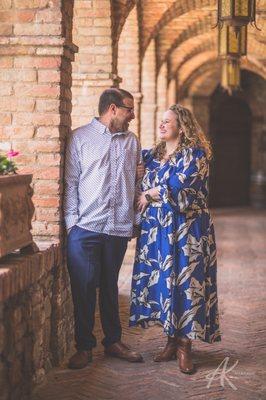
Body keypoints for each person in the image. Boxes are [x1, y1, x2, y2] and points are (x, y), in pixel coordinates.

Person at [129, 104, 221, 374]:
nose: (161, 125)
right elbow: (133, 173)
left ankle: (185, 347)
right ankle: (170, 340)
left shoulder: (195, 154)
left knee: (187, 284)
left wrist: (151, 193)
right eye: (161, 121)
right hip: (157, 231)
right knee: (164, 283)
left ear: (182, 126)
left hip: (187, 230)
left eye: (167, 122)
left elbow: (184, 187)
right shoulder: (153, 156)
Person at [64, 88, 144, 369]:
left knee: (110, 286)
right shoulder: (80, 138)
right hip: (86, 228)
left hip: (118, 228)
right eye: (129, 109)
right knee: (84, 288)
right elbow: (71, 182)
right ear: (112, 108)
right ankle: (84, 347)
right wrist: (72, 225)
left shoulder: (132, 141)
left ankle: (113, 341)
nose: (133, 115)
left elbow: (137, 184)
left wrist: (134, 220)